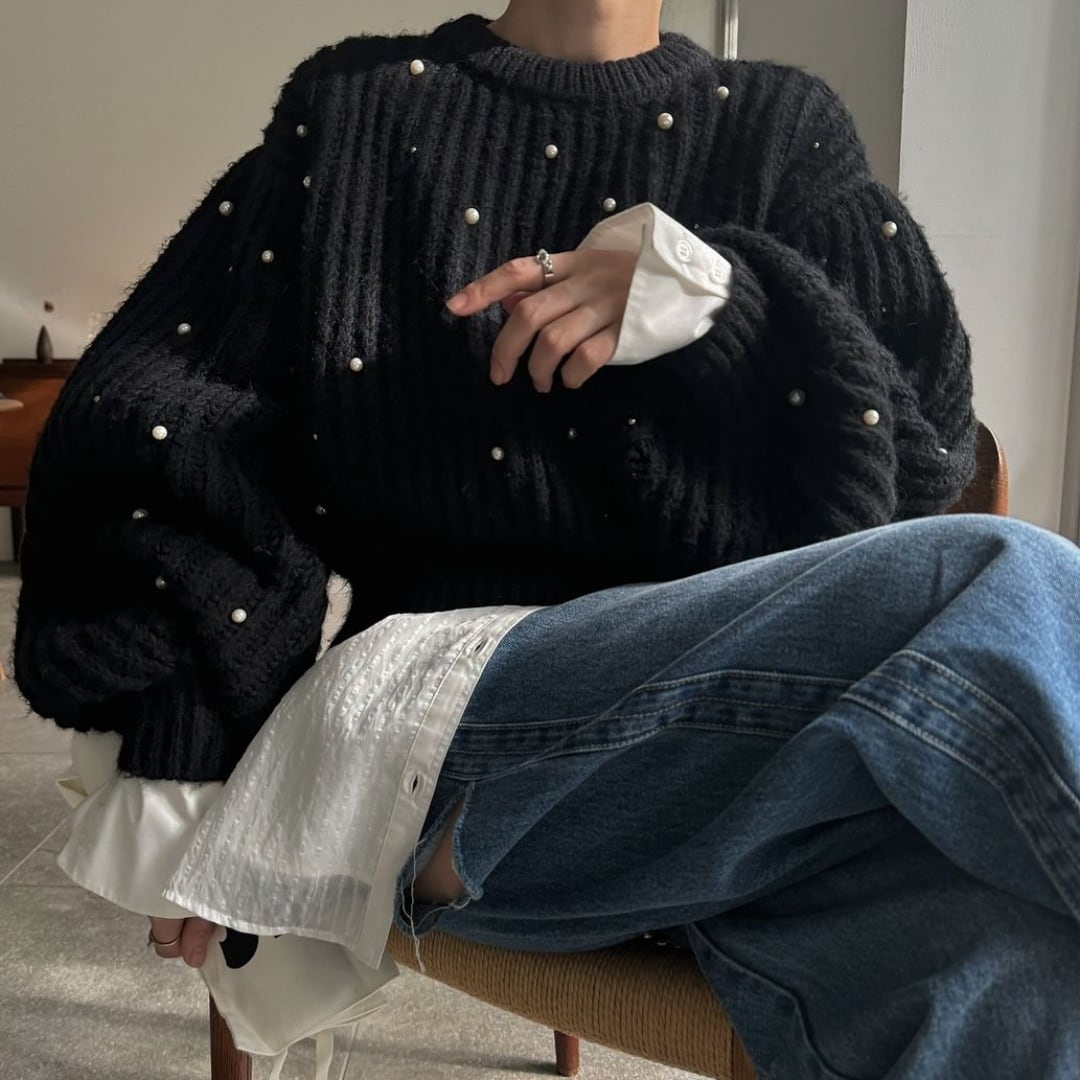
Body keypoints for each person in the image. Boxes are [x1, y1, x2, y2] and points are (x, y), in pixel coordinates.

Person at [12, 2, 1080, 1077]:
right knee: (1003, 580)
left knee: (1005, 957)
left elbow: (922, 455)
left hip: (738, 766)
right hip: (438, 726)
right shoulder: (359, 113)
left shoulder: (782, 129)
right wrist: (190, 740)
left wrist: (727, 303)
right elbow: (166, 422)